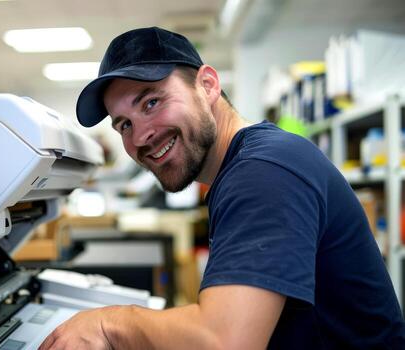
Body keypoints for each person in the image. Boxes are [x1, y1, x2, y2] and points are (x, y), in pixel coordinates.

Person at [39, 27, 405, 349]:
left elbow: (225, 342)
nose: (141, 136)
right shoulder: (246, 166)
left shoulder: (263, 171)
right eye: (124, 125)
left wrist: (109, 323)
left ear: (208, 85)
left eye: (152, 102)